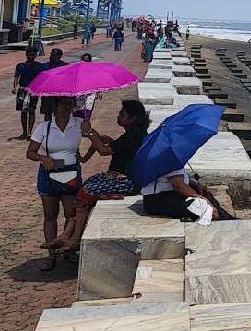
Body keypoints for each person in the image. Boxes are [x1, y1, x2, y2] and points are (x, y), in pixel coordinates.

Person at [42, 100, 150, 253]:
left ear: (132, 119)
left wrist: (90, 132)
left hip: (126, 181)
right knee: (82, 188)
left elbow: (104, 151)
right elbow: (120, 149)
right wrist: (97, 144)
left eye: (122, 114)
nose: (118, 116)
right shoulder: (131, 135)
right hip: (116, 176)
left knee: (87, 193)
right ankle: (67, 235)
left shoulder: (134, 136)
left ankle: (75, 239)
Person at [27, 96, 101, 270]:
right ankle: (51, 254)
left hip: (70, 172)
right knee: (50, 215)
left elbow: (99, 143)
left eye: (70, 104)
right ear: (55, 106)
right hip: (49, 173)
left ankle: (68, 249)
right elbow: (30, 152)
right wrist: (42, 157)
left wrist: (88, 136)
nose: (67, 108)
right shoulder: (44, 127)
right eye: (63, 104)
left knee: (71, 213)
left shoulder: (79, 124)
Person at [142, 165, 225, 222]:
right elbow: (179, 186)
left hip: (165, 195)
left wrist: (197, 186)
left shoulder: (173, 159)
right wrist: (200, 197)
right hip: (158, 200)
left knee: (208, 197)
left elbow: (181, 180)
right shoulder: (170, 159)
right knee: (208, 210)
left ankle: (226, 218)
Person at [11, 49, 44, 140]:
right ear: (26, 55)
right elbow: (16, 76)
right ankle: (24, 132)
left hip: (34, 91)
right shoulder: (20, 66)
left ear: (35, 55)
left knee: (32, 110)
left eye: (33, 55)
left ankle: (30, 132)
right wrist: (14, 86)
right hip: (22, 90)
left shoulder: (39, 66)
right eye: (29, 55)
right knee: (23, 111)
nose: (31, 57)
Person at [39, 48, 68, 124]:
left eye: (54, 54)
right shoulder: (45, 66)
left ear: (59, 56)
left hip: (59, 93)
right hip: (47, 93)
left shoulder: (64, 66)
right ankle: (47, 129)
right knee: (47, 114)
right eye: (51, 54)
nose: (51, 56)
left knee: (59, 113)